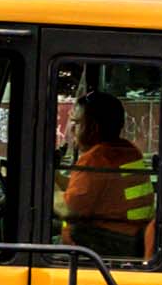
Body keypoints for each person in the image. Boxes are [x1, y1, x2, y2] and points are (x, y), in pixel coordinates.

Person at [60, 90, 155, 263]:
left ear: (93, 127)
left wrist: (38, 184)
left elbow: (67, 210)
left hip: (111, 244)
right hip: (132, 238)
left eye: (76, 122)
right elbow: (85, 190)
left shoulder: (97, 159)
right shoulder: (128, 151)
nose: (72, 129)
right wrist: (53, 175)